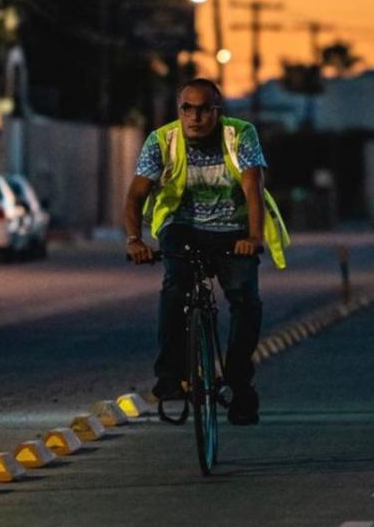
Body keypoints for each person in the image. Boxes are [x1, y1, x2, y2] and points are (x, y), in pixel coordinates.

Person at [124, 77, 290, 425]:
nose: (195, 117)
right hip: (181, 227)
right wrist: (134, 240)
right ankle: (170, 375)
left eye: (204, 109)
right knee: (175, 287)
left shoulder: (240, 135)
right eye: (188, 108)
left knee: (245, 299)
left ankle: (240, 384)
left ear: (218, 112)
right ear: (179, 111)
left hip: (233, 230)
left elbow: (252, 186)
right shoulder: (161, 140)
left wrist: (254, 237)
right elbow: (137, 194)